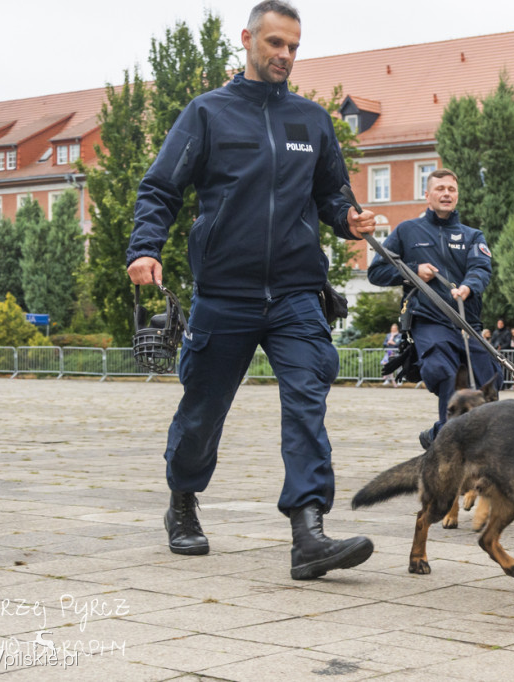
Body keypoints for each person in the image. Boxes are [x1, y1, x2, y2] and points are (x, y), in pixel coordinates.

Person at [126, 0, 378, 580]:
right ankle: (183, 502)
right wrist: (144, 248)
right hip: (225, 293)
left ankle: (309, 531)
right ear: (247, 40)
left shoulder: (311, 121)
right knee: (202, 411)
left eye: (293, 46)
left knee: (307, 405)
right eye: (274, 44)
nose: (285, 55)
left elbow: (333, 197)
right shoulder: (207, 114)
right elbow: (160, 188)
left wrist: (349, 219)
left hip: (295, 292)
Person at [367, 168, 500, 448]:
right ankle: (447, 451)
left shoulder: (473, 235)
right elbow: (376, 272)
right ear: (427, 195)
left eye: (451, 189)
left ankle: (441, 434)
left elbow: (481, 268)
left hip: (466, 322)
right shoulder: (407, 231)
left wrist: (468, 286)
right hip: (428, 320)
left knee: (489, 382)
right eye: (440, 189)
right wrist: (413, 272)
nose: (446, 194)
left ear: (457, 195)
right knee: (443, 371)